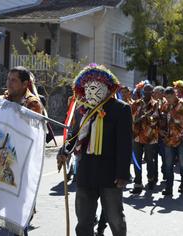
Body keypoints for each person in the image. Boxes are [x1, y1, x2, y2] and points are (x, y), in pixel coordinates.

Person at [57, 64, 132, 236]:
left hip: (111, 174)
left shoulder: (121, 109)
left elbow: (125, 144)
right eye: (87, 88)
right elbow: (73, 136)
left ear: (107, 87)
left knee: (115, 220)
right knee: (84, 221)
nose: (90, 91)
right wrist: (64, 151)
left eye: (95, 87)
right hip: (86, 172)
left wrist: (122, 174)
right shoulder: (81, 110)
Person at [0, 66, 43, 236]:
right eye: (8, 79)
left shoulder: (33, 104)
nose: (9, 83)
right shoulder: (1, 100)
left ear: (25, 84)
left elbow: (29, 135)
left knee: (16, 215)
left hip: (18, 169)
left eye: (13, 80)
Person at [160, 87, 183, 195]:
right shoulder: (165, 105)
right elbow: (162, 119)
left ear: (174, 95)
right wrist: (161, 130)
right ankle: (169, 188)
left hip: (182, 139)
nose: (167, 99)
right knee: (168, 165)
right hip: (169, 139)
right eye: (166, 97)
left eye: (169, 97)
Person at [131, 84, 160, 194]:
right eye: (145, 91)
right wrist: (139, 116)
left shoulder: (155, 104)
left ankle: (150, 179)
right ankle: (138, 183)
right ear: (142, 91)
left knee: (149, 160)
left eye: (149, 91)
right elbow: (132, 119)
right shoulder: (136, 103)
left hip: (150, 136)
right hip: (137, 136)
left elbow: (155, 120)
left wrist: (147, 117)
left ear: (152, 92)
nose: (147, 93)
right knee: (136, 160)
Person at [153, 85, 167, 181]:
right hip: (153, 134)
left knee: (165, 156)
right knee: (153, 158)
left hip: (164, 135)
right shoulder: (152, 103)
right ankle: (154, 176)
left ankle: (165, 173)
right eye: (154, 92)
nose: (154, 94)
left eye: (157, 92)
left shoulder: (167, 103)